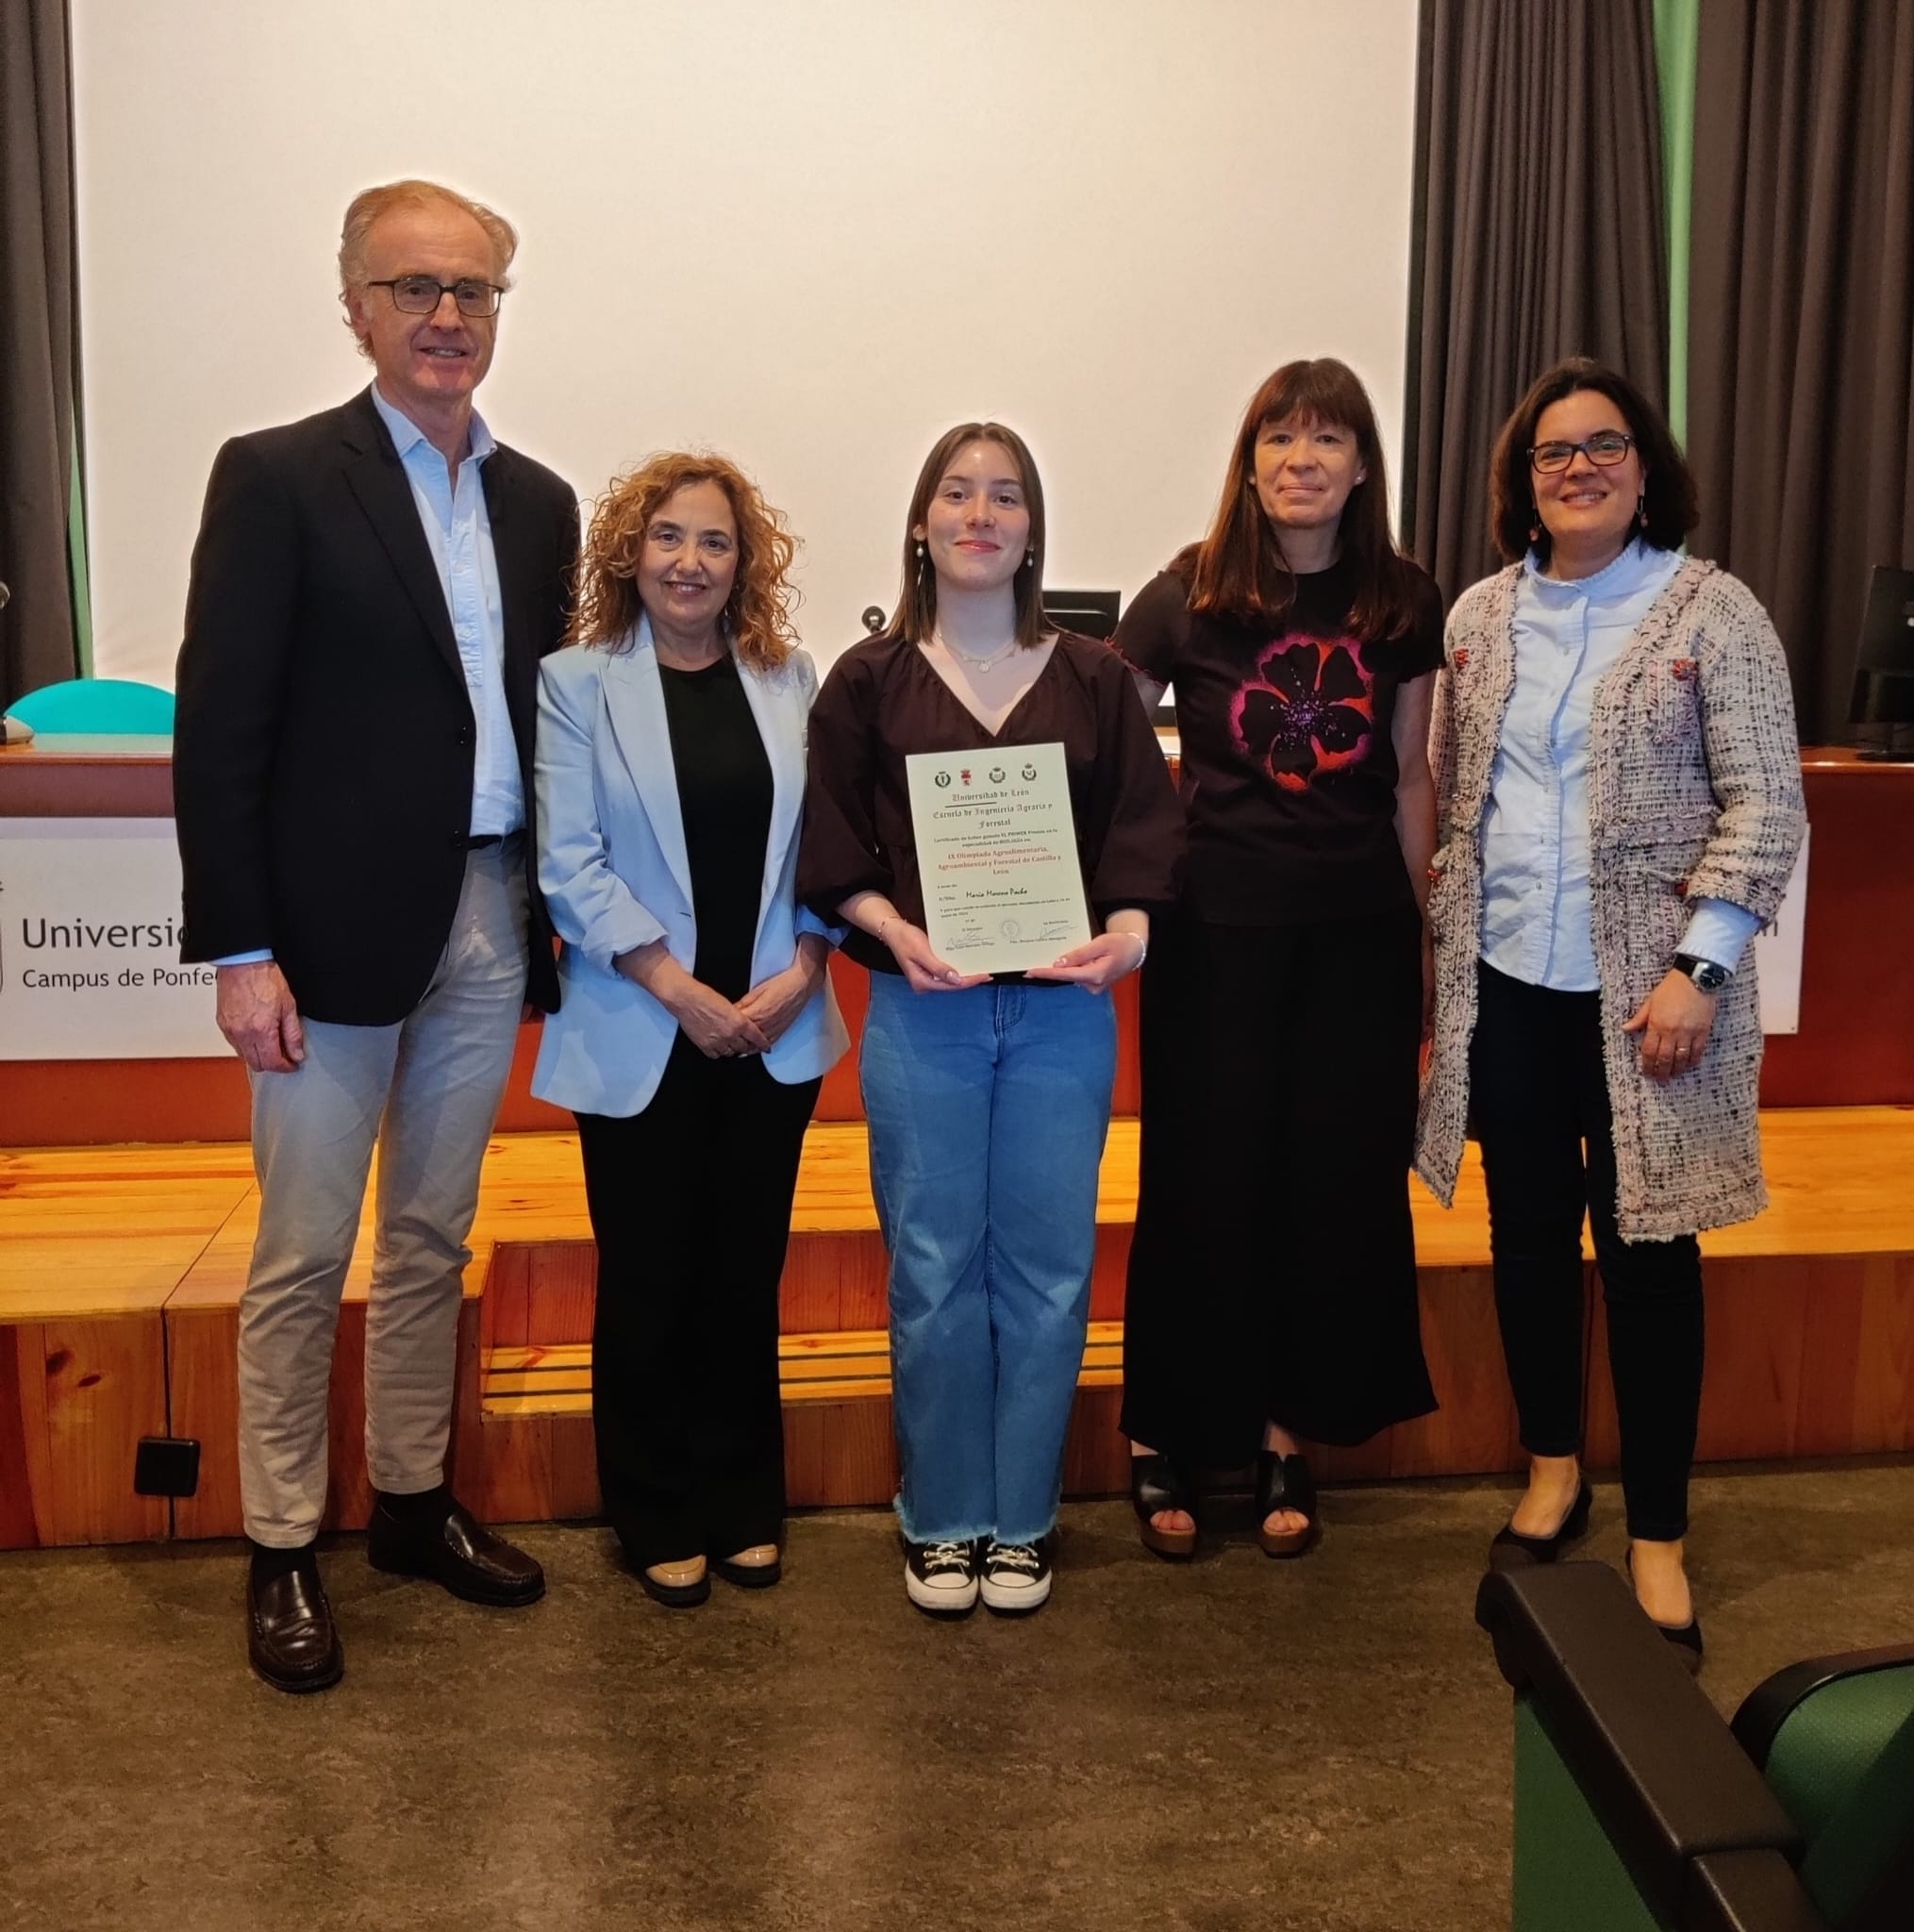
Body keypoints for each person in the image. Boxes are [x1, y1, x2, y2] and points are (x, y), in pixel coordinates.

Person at [174, 179, 579, 1692]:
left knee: (431, 1236)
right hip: (325, 935)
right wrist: (240, 949)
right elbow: (221, 734)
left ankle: (410, 1505)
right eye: (415, 288)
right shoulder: (278, 478)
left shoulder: (541, 502)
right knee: (299, 1252)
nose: (447, 317)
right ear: (354, 306)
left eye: (473, 291)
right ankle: (281, 1543)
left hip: (489, 911)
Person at [1415, 357, 1806, 1668]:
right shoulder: (1479, 616)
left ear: (1645, 469)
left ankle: (1659, 1531)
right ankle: (1551, 1464)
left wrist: (1699, 967)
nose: (1577, 468)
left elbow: (1766, 804)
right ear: (1522, 483)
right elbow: (1450, 792)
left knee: (1649, 1257)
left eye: (1603, 447)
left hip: (1651, 1001)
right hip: (1510, 982)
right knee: (1529, 1236)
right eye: (1551, 454)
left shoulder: (1713, 610)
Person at [799, 423, 1184, 1617]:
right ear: (920, 522)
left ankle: (1019, 1517)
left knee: (1050, 1268)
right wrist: (885, 925)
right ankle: (943, 1513)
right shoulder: (865, 681)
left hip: (1063, 1014)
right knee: (929, 1267)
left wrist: (1127, 936)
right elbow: (832, 846)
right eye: (956, 493)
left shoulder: (1095, 681)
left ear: (1030, 529)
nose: (980, 512)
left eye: (1005, 496)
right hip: (927, 1011)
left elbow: (1138, 841)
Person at [1114, 359, 1442, 1562]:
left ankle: (1278, 1431)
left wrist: (1423, 935)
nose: (1302, 459)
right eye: (1279, 438)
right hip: (1213, 938)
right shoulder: (1185, 595)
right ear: (1248, 461)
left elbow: (1408, 776)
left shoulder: (1404, 599)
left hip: (1354, 935)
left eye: (1327, 438)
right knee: (1202, 1184)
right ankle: (1161, 1435)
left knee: (1326, 1189)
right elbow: (1099, 735)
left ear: (1361, 465)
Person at [532, 453, 847, 1608]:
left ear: (742, 562)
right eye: (668, 536)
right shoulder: (576, 681)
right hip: (642, 1024)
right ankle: (653, 1505)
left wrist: (799, 971)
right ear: (631, 549)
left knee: (741, 1272)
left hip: (773, 1026)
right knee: (651, 1274)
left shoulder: (789, 679)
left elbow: (829, 845)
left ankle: (740, 1499)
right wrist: (682, 988)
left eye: (714, 542)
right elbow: (569, 863)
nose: (689, 561)